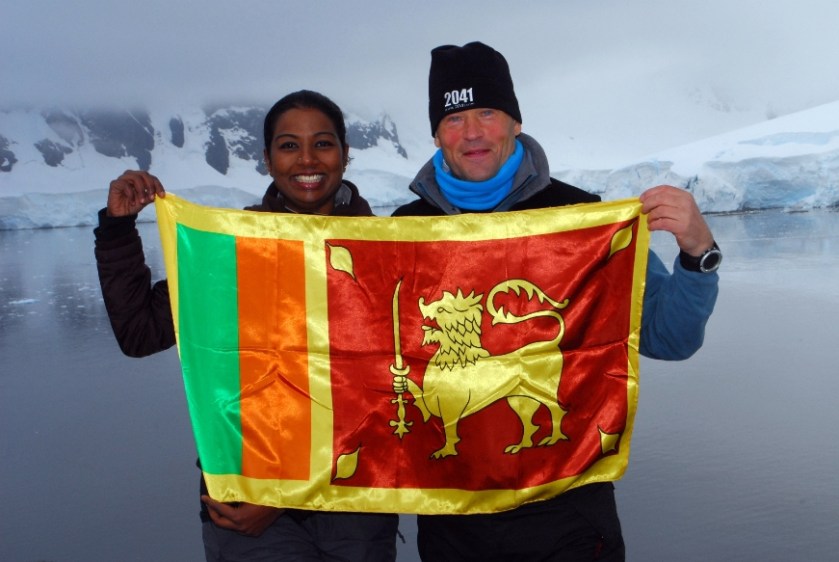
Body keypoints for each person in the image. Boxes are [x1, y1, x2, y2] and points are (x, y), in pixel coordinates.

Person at [392, 42, 721, 561]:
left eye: (487, 112)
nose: (472, 132)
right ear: (436, 134)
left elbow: (670, 337)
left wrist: (698, 252)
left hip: (568, 514)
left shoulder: (583, 220)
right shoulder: (401, 235)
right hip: (453, 522)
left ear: (515, 123)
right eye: (454, 118)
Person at [95, 90, 399, 561]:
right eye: (288, 145)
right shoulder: (231, 249)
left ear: (345, 153)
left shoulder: (386, 252)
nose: (306, 160)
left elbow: (396, 390)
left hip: (353, 504)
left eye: (322, 143)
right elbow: (140, 333)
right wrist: (118, 229)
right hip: (245, 504)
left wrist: (282, 497)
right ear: (266, 158)